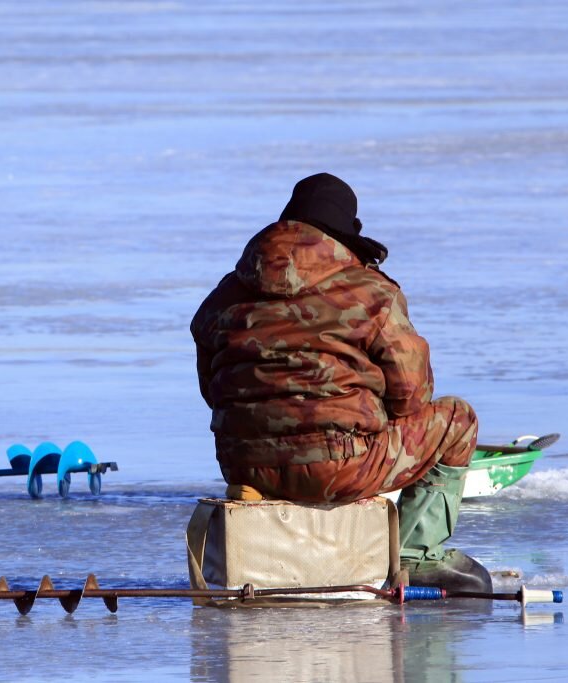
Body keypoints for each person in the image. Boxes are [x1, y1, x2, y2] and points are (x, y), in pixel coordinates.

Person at [190, 173, 491, 592]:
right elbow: (412, 395)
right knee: (458, 420)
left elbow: (212, 390)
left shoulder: (223, 297)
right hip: (342, 466)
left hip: (246, 466)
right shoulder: (370, 292)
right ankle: (414, 554)